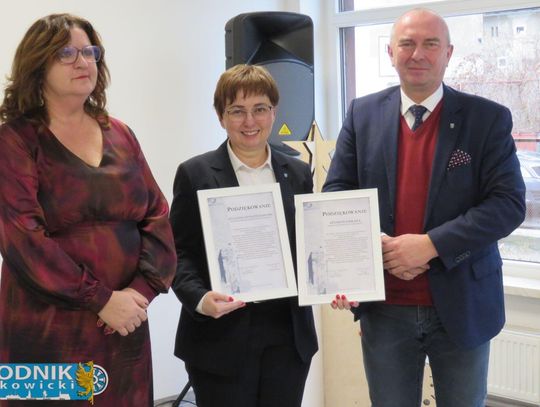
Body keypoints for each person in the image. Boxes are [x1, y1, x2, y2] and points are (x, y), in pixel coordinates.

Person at [324, 8, 526, 407]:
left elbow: (507, 204)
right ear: (390, 53)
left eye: (430, 44)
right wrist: (375, 246)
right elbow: (337, 194)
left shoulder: (487, 119)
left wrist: (429, 245)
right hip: (386, 308)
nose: (418, 54)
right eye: (407, 44)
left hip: (463, 303)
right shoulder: (362, 114)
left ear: (448, 53)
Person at [0, 14, 176, 406]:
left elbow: (157, 216)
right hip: (48, 329)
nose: (83, 62)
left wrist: (139, 293)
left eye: (90, 52)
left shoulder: (121, 134)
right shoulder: (15, 139)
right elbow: (23, 240)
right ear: (38, 65)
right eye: (66, 53)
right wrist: (102, 300)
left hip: (124, 322)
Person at [170, 64, 318, 407]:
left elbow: (309, 246)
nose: (250, 121)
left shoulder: (297, 172)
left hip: (287, 337)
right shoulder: (195, 174)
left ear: (274, 112)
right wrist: (199, 298)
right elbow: (177, 252)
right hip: (219, 335)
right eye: (237, 111)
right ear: (221, 117)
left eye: (260, 109)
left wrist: (338, 283)